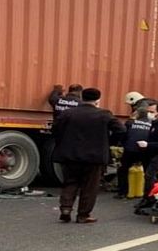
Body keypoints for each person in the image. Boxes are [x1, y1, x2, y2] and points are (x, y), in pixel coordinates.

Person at [52, 87, 125, 224]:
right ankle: (83, 215)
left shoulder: (68, 113)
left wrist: (64, 143)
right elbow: (121, 130)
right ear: (98, 100)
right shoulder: (104, 114)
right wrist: (108, 141)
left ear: (82, 98)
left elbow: (55, 129)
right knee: (90, 186)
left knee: (70, 182)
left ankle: (66, 208)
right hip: (95, 157)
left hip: (71, 155)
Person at [115, 106, 152, 199]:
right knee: (147, 171)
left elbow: (123, 134)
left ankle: (123, 192)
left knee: (123, 170)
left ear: (138, 114)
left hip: (130, 150)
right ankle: (146, 192)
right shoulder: (151, 125)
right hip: (145, 151)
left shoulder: (130, 122)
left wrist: (121, 144)